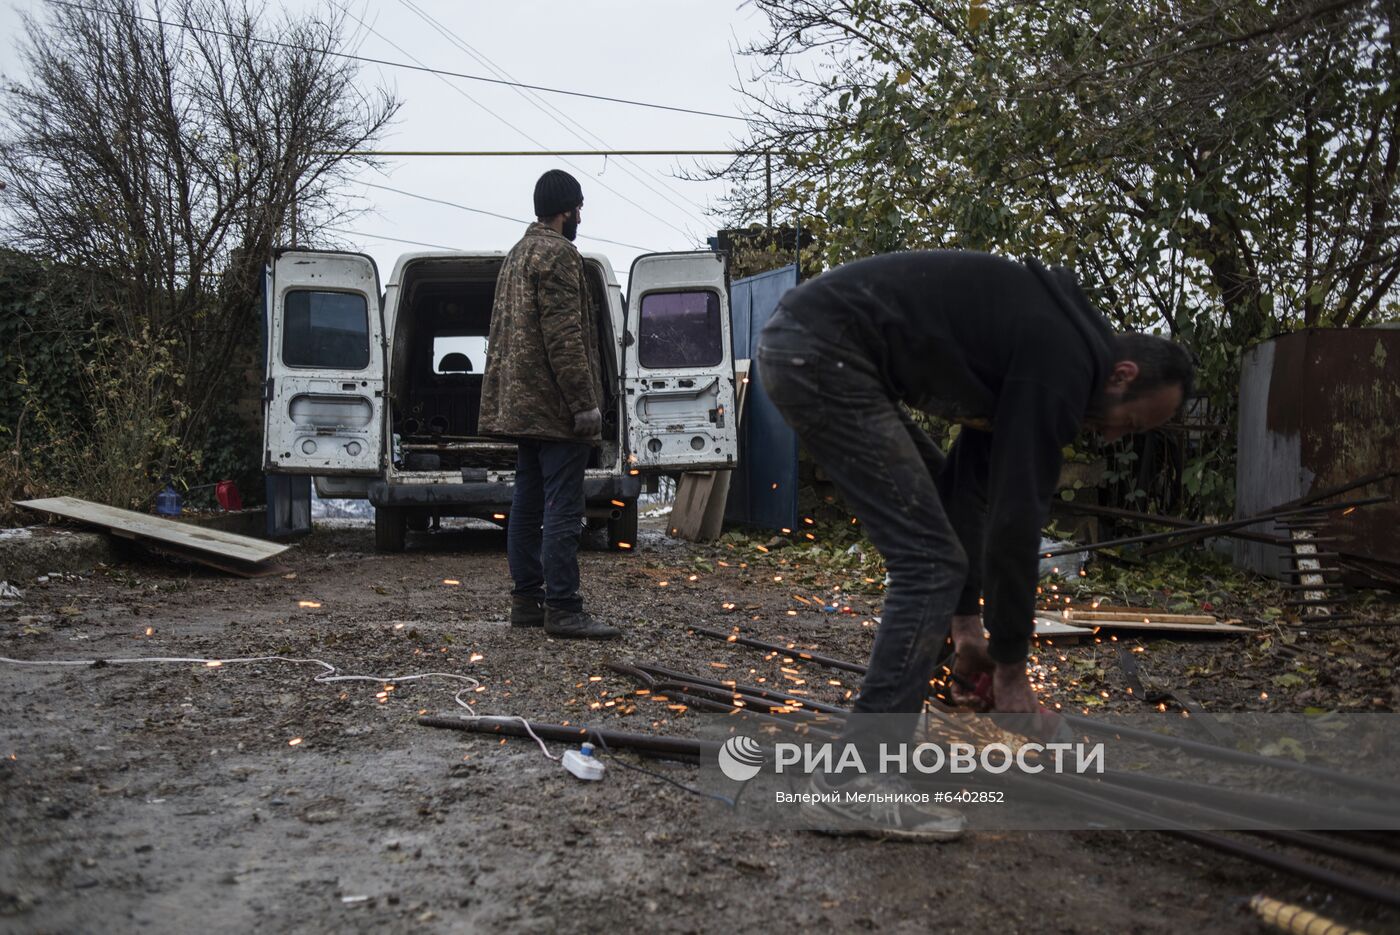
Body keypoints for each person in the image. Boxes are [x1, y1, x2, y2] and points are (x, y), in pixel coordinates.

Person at [757, 249, 1193, 840]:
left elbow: (967, 496)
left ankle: (898, 732)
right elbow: (1019, 517)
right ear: (1124, 376)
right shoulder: (1063, 363)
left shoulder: (1046, 348)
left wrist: (969, 630)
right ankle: (852, 782)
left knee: (938, 524)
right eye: (1130, 424)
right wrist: (1013, 670)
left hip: (818, 347)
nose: (1114, 436)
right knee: (928, 561)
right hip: (822, 353)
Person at [479, 169, 620, 640]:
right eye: (578, 207)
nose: (580, 215)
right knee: (563, 504)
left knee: (527, 502)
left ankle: (526, 601)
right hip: (556, 408)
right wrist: (585, 403)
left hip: (521, 407)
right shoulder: (558, 256)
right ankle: (563, 607)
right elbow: (564, 337)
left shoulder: (517, 255)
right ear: (567, 210)